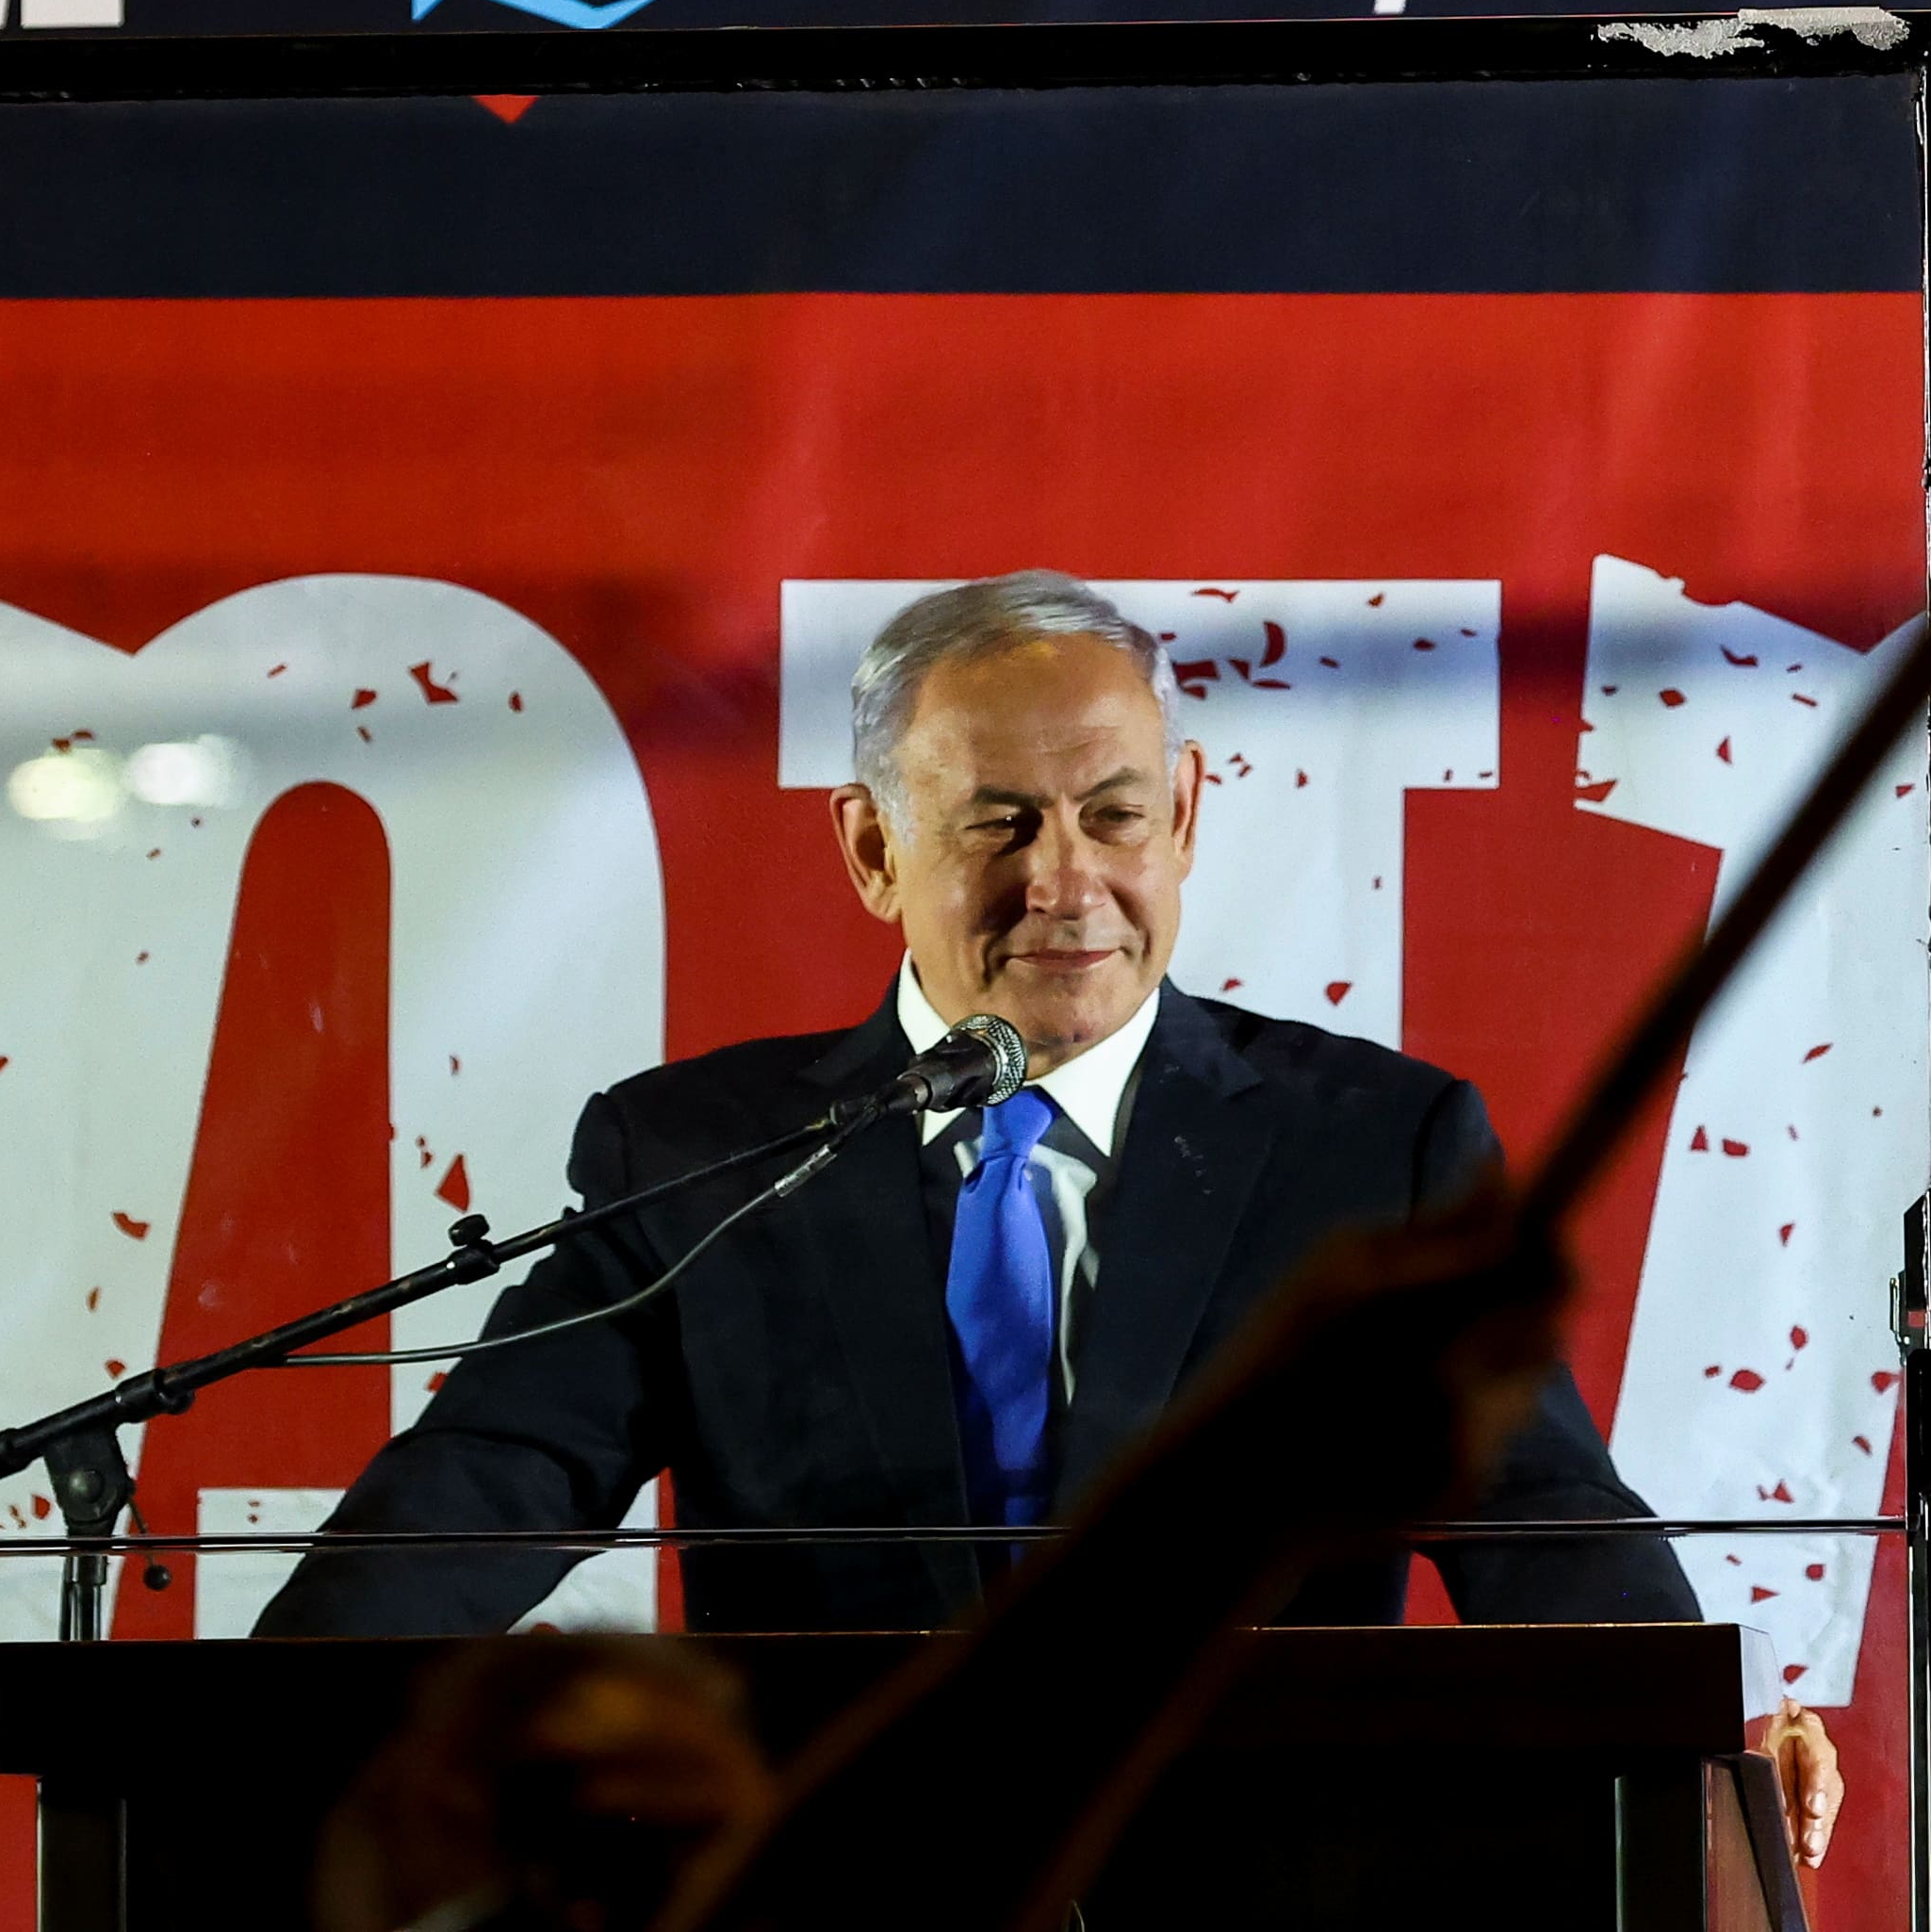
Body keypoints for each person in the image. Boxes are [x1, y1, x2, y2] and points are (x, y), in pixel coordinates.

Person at [264, 572, 1837, 1865]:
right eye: (999, 821)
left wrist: (1692, 1740)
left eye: (1112, 813)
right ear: (874, 848)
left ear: (1187, 813)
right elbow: (484, 1485)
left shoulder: (1372, 1143)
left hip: (1264, 1885)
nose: (1065, 880)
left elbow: (1538, 1519)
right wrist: (252, 1739)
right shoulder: (696, 1149)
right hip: (828, 1887)